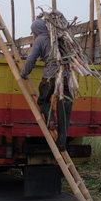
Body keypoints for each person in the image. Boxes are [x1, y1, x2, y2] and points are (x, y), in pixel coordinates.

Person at [20, 19, 73, 151]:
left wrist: (24, 73)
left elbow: (31, 60)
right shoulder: (60, 36)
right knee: (64, 110)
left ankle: (50, 121)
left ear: (36, 30)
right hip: (66, 77)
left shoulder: (40, 39)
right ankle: (61, 142)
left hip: (50, 76)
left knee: (43, 100)